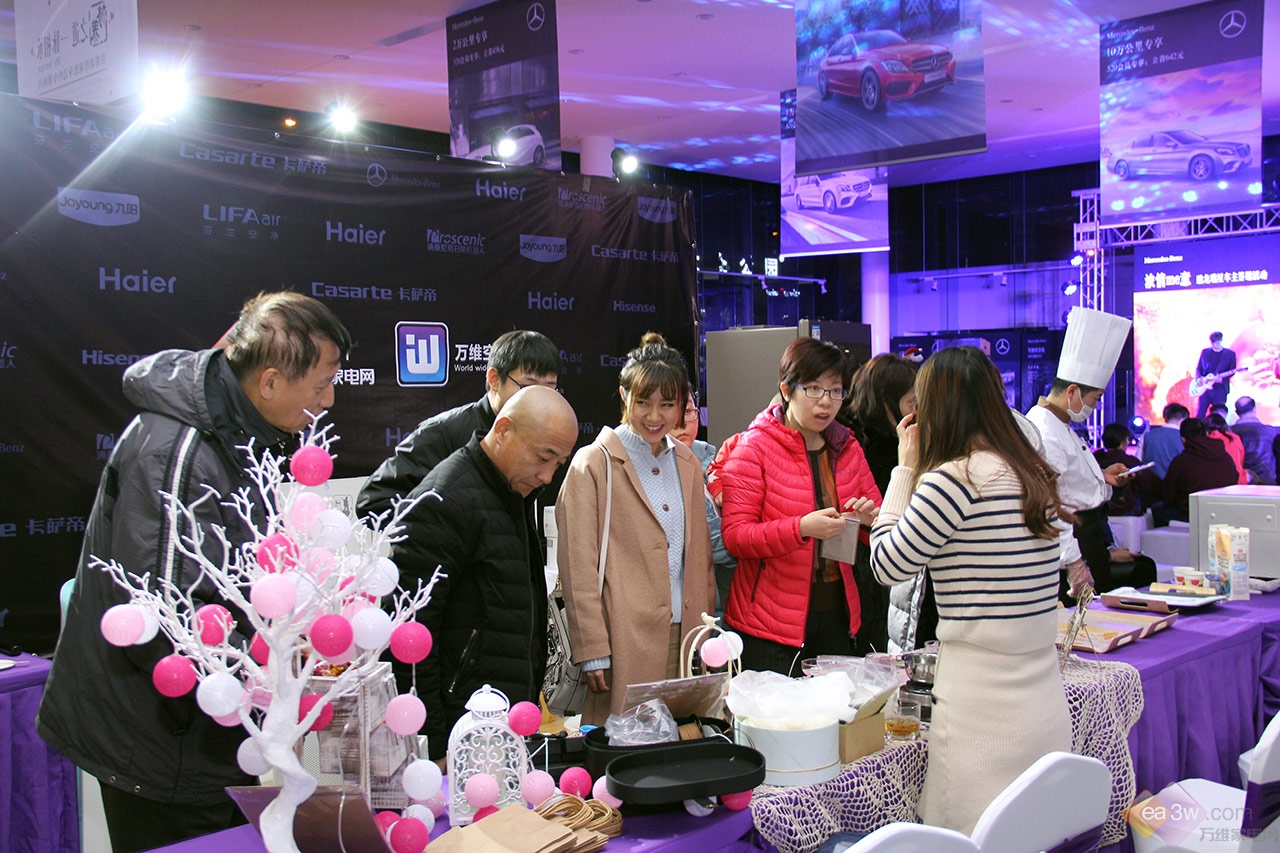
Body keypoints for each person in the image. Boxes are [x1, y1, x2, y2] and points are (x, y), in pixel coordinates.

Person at [37, 292, 351, 853]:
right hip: (160, 734)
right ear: (270, 382)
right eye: (322, 384)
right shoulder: (177, 454)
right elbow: (163, 619)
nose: (328, 400)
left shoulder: (236, 433)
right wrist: (265, 676)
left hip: (204, 724)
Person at [869, 345, 1071, 835]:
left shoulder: (954, 480)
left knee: (971, 835)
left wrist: (904, 470)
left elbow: (886, 563)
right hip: (1043, 700)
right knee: (1036, 833)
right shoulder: (1031, 473)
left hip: (980, 710)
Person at [392, 386, 578, 761]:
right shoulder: (444, 499)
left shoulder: (512, 492)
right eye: (543, 457)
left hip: (501, 723)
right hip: (458, 729)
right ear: (504, 429)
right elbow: (410, 637)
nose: (547, 476)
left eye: (558, 463)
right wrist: (435, 744)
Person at [556, 334, 714, 726]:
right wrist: (592, 647)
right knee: (626, 746)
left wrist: (706, 631)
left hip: (686, 638)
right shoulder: (594, 464)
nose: (655, 416)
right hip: (621, 639)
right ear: (624, 395)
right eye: (643, 402)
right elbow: (578, 565)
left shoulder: (688, 463)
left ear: (683, 405)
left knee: (681, 742)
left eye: (668, 404)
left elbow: (700, 559)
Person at [720, 337, 881, 676]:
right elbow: (736, 537)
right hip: (769, 622)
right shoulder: (753, 448)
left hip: (838, 613)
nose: (826, 402)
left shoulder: (847, 447)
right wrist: (801, 528)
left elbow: (879, 522)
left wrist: (869, 521)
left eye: (835, 391)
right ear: (786, 390)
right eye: (814, 389)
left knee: (838, 706)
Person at [357, 330, 561, 520]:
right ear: (494, 379)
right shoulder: (443, 432)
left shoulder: (539, 435)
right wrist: (449, 528)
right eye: (527, 387)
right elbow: (374, 502)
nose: (539, 399)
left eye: (549, 389)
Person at [1025, 307, 1133, 599]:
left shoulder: (1062, 424)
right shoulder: (1044, 431)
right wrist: (1073, 561)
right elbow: (1049, 504)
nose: (1095, 407)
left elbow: (1072, 483)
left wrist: (1103, 477)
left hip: (1090, 536)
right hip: (1075, 539)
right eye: (1095, 399)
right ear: (1072, 391)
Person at [840, 353, 920, 654]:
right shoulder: (868, 448)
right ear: (886, 401)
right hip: (868, 565)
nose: (916, 411)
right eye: (911, 402)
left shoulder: (858, 439)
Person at [670, 391, 736, 615]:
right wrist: (748, 533)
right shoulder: (659, 472)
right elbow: (701, 541)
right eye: (673, 410)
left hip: (730, 601)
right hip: (690, 606)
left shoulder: (714, 459)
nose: (682, 423)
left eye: (688, 411)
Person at [1158, 417, 1240, 525]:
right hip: (1222, 512)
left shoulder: (1181, 461)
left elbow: (1168, 495)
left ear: (1183, 439)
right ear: (1206, 433)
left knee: (1158, 509)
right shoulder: (1225, 457)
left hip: (1191, 513)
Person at [1094, 423, 1157, 516]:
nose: (1128, 443)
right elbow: (1150, 484)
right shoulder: (1130, 462)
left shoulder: (1093, 458)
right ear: (1122, 442)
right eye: (1127, 439)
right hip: (1125, 508)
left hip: (1097, 508)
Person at [1232, 396, 1277, 484]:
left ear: (1237, 412)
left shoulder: (1229, 433)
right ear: (1254, 409)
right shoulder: (1271, 431)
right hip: (1268, 482)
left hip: (1240, 483)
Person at [1194, 331, 1237, 418]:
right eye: (1213, 343)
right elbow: (1199, 368)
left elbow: (1232, 371)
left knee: (1219, 414)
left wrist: (1221, 379)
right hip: (1205, 388)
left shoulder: (1230, 354)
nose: (1215, 345)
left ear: (1221, 341)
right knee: (1200, 413)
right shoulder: (1205, 352)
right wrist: (1199, 379)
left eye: (1217, 342)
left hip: (1220, 389)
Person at [1142, 403, 1189, 479]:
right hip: (1177, 483)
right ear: (1184, 420)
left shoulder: (1146, 436)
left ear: (1165, 417)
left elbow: (1138, 462)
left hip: (1151, 483)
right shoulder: (1186, 437)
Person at [1206, 411, 1248, 485]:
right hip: (1240, 480)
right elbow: (1241, 460)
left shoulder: (1207, 440)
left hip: (1217, 483)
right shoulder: (1235, 437)